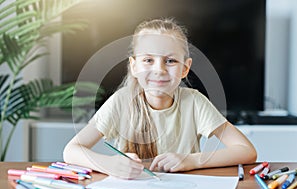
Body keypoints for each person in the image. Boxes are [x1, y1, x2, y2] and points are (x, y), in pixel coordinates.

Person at [63, 18, 257, 179]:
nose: (159, 70)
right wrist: (109, 164)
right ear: (134, 66)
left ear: (185, 68)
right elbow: (71, 150)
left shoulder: (195, 102)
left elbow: (246, 150)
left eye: (170, 61)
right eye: (148, 60)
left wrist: (191, 160)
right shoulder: (121, 101)